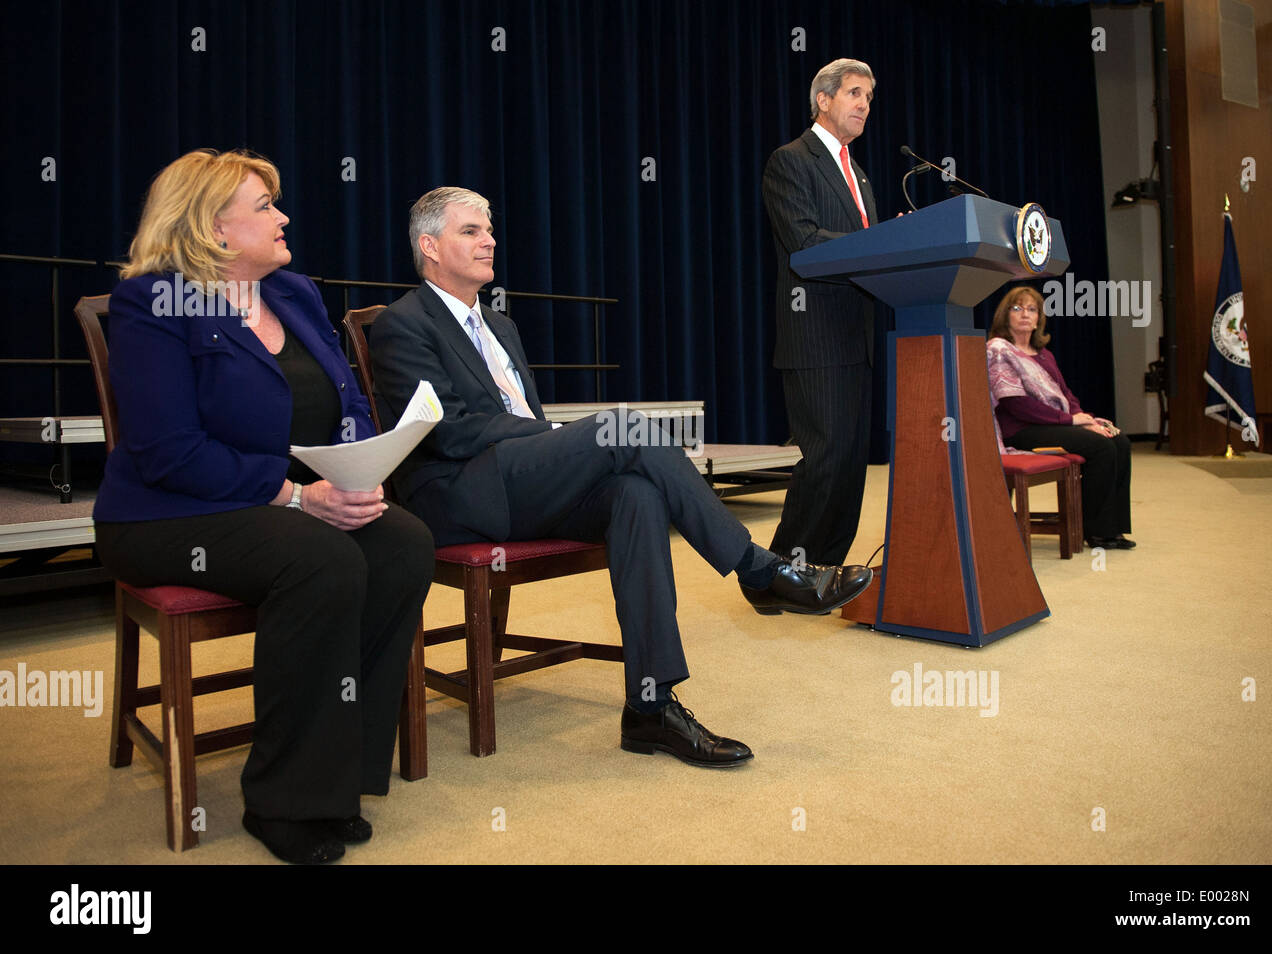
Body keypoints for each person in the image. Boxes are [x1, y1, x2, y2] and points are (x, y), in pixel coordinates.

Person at [369, 187, 874, 769]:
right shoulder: (403, 325)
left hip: (521, 481)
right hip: (458, 495)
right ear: (429, 247)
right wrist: (555, 441)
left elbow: (522, 419)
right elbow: (450, 433)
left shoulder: (501, 326)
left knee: (635, 495)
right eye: (471, 232)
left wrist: (550, 441)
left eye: (489, 230)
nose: (490, 240)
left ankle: (650, 708)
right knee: (626, 427)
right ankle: (759, 570)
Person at [92, 149, 437, 864]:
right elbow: (167, 451)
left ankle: (338, 775)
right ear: (216, 230)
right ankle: (285, 800)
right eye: (265, 207)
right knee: (320, 560)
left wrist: (361, 468)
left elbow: (343, 404)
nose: (283, 218)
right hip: (168, 512)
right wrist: (296, 497)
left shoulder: (295, 294)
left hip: (282, 501)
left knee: (401, 541)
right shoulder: (155, 301)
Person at [760, 57, 879, 568]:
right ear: (823, 99)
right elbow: (804, 243)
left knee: (852, 464)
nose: (864, 106)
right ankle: (778, 573)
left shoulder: (861, 176)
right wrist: (879, 243)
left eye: (869, 99)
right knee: (825, 460)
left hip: (859, 338)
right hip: (815, 336)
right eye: (855, 93)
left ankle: (825, 567)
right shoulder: (791, 160)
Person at [986, 285, 1135, 550]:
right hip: (1022, 430)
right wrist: (1071, 422)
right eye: (1017, 308)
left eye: (1032, 309)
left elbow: (1065, 393)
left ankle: (1112, 527)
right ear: (1005, 315)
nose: (1025, 314)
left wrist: (1083, 417)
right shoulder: (998, 350)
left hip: (1053, 424)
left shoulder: (1044, 354)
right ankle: (1095, 531)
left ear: (1038, 318)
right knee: (1100, 447)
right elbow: (1016, 404)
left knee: (1118, 440)